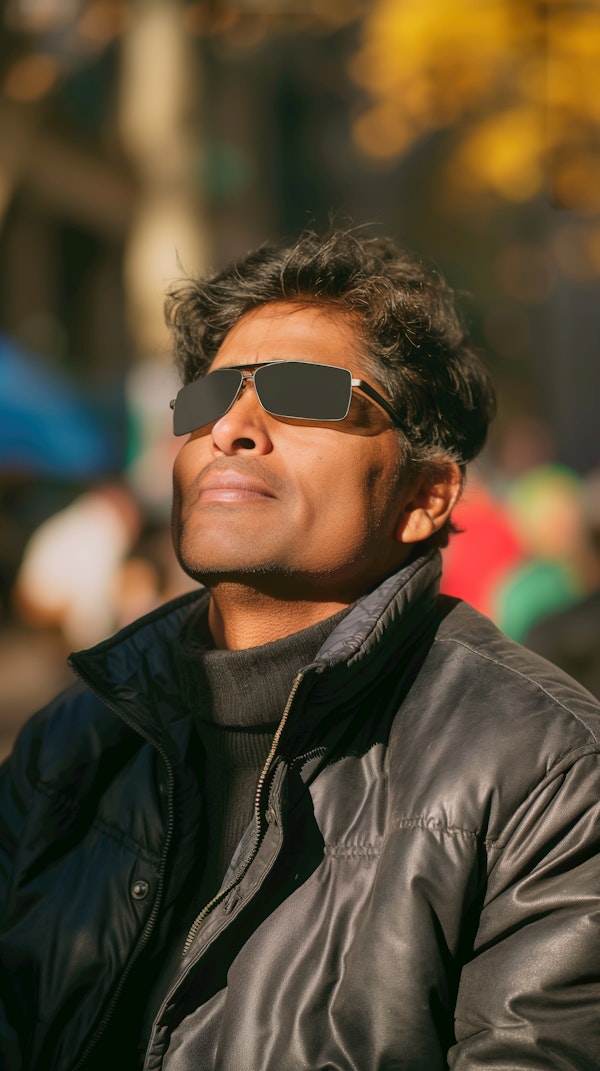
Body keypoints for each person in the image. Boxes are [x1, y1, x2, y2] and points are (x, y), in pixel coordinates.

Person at [1, 228, 600, 1071]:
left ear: (426, 495)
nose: (233, 428)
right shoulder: (68, 746)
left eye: (307, 394)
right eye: (208, 398)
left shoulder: (554, 775)